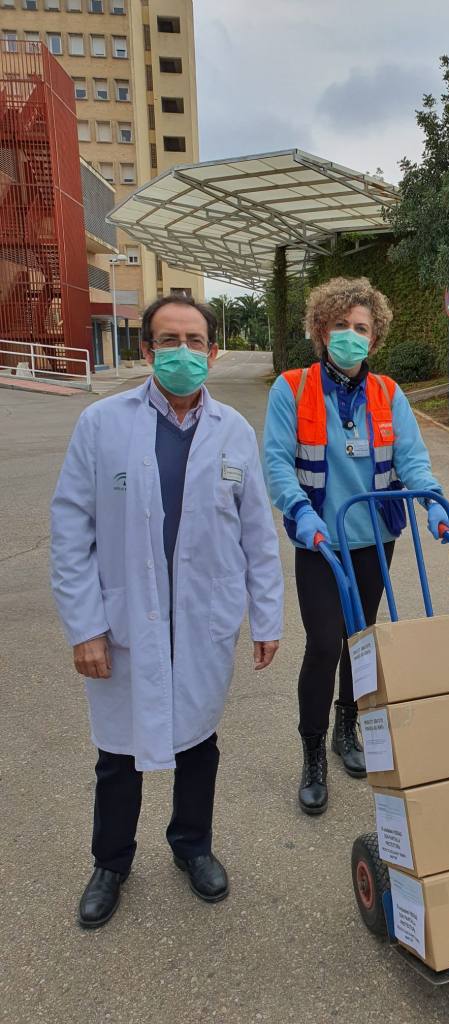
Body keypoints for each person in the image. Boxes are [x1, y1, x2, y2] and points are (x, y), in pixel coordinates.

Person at [50, 295, 283, 929]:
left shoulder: (234, 429)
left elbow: (256, 532)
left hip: (204, 618)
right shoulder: (103, 424)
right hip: (125, 621)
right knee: (119, 752)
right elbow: (72, 528)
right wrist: (86, 627)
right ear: (147, 351)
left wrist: (267, 617)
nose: (182, 353)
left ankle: (192, 846)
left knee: (200, 742)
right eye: (167, 341)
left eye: (194, 341)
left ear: (214, 351)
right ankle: (111, 862)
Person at [264, 276, 449, 815]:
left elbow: (412, 457)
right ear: (322, 330)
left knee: (359, 640)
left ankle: (349, 729)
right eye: (341, 325)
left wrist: (430, 500)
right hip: (320, 540)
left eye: (361, 327)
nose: (351, 335)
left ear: (375, 337)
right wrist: (300, 514)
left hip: (373, 537)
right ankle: (313, 752)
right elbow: (277, 462)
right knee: (325, 642)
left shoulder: (388, 393)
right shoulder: (292, 388)